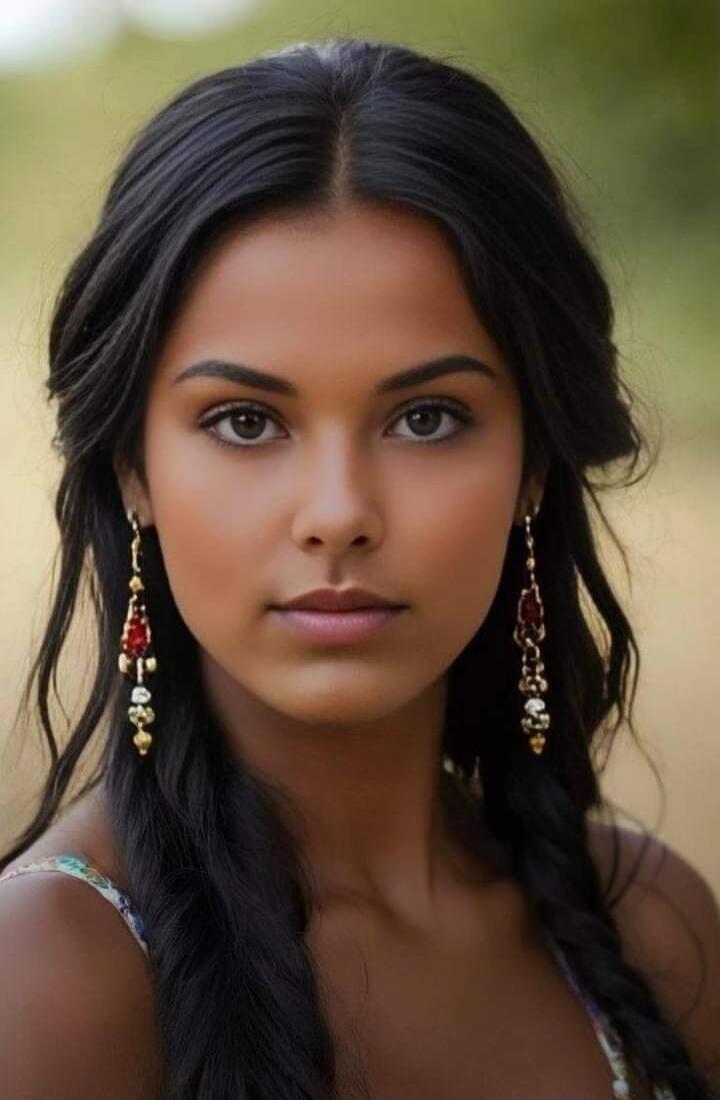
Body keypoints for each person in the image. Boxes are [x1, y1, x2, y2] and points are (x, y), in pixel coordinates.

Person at [0, 36, 717, 1100]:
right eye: (245, 420)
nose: (338, 513)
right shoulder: (48, 979)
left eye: (426, 418)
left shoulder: (651, 929)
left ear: (533, 463)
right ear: (133, 469)